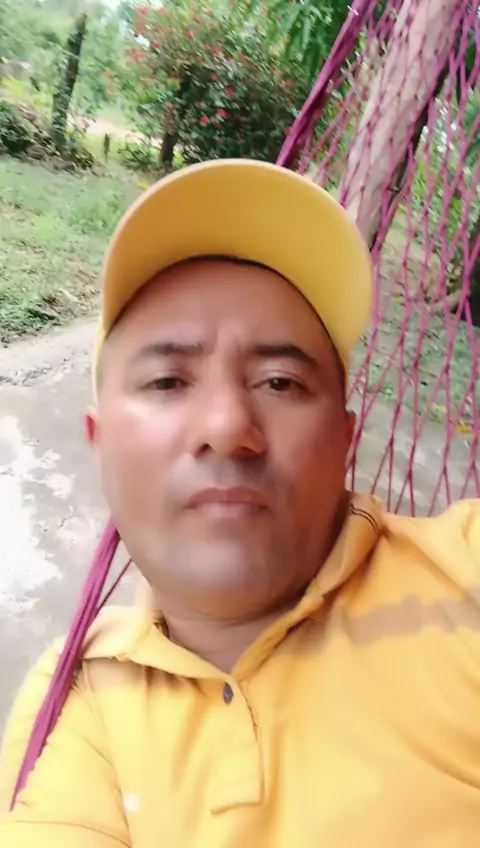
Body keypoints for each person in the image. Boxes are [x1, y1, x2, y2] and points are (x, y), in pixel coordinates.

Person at [1, 159, 479, 848]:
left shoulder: (463, 576)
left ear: (344, 441)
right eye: (168, 382)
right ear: (99, 445)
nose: (228, 427)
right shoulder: (75, 697)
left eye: (280, 382)